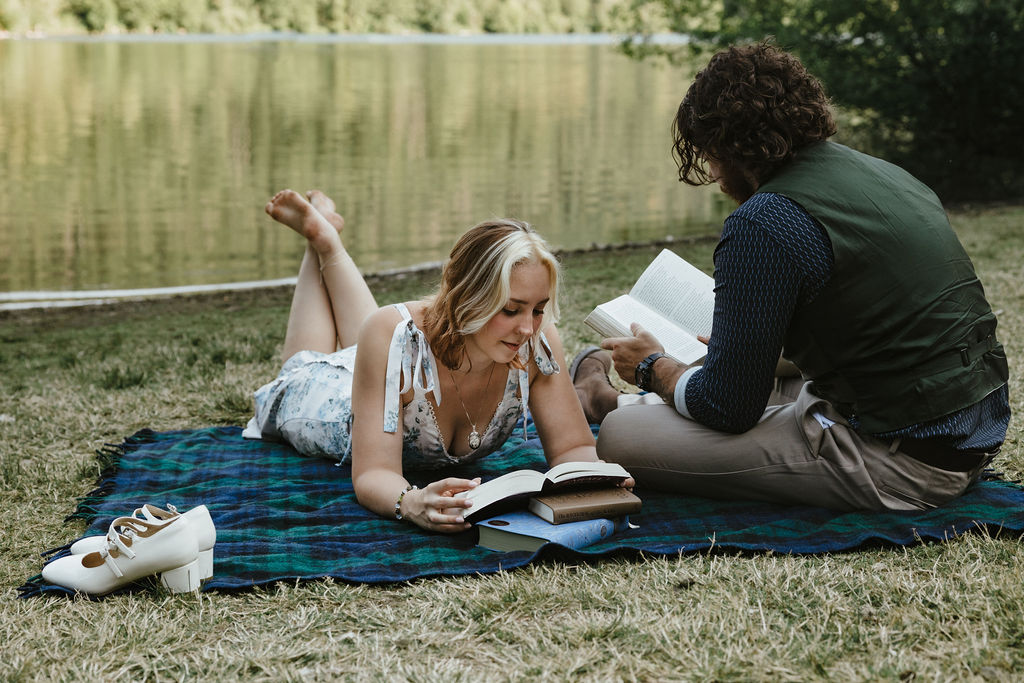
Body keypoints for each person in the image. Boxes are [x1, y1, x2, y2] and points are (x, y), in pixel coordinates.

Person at [572, 42, 1010, 511]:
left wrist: (650, 367)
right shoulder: (885, 175)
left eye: (711, 154)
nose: (715, 174)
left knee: (621, 439)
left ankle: (608, 406)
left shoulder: (766, 221)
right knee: (739, 371)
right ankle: (606, 396)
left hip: (902, 462)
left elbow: (728, 409)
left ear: (728, 145)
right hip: (966, 435)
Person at [244, 189, 613, 533]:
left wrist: (599, 478)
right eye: (511, 309)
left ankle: (327, 238)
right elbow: (373, 472)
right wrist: (411, 501)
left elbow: (572, 448)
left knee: (383, 340)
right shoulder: (394, 338)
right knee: (306, 363)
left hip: (389, 367)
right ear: (468, 295)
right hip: (325, 398)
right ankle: (320, 241)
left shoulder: (537, 343)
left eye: (538, 309)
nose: (527, 328)